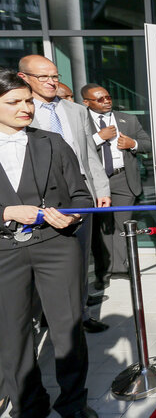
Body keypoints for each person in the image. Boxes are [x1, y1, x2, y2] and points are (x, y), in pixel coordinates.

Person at [0, 68, 98, 418]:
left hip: (57, 246)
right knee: (11, 334)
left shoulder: (51, 142)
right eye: (14, 102)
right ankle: (28, 405)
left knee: (68, 329)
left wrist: (72, 216)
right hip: (3, 252)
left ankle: (73, 404)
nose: (25, 107)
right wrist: (6, 211)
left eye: (28, 100)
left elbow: (81, 196)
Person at [19, 55, 111, 334]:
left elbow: (89, 155)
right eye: (43, 77)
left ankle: (80, 313)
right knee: (35, 266)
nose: (51, 82)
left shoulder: (75, 111)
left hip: (79, 195)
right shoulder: (20, 111)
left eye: (55, 76)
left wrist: (101, 188)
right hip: (36, 202)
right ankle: (39, 318)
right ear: (24, 78)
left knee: (79, 259)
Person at [81, 84, 151, 288]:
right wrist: (97, 138)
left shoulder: (127, 119)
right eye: (100, 99)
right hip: (94, 181)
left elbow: (148, 144)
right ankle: (103, 272)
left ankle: (122, 267)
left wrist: (133, 144)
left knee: (123, 226)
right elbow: (73, 148)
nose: (107, 101)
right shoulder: (80, 121)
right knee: (101, 229)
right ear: (86, 102)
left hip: (123, 179)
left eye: (108, 97)